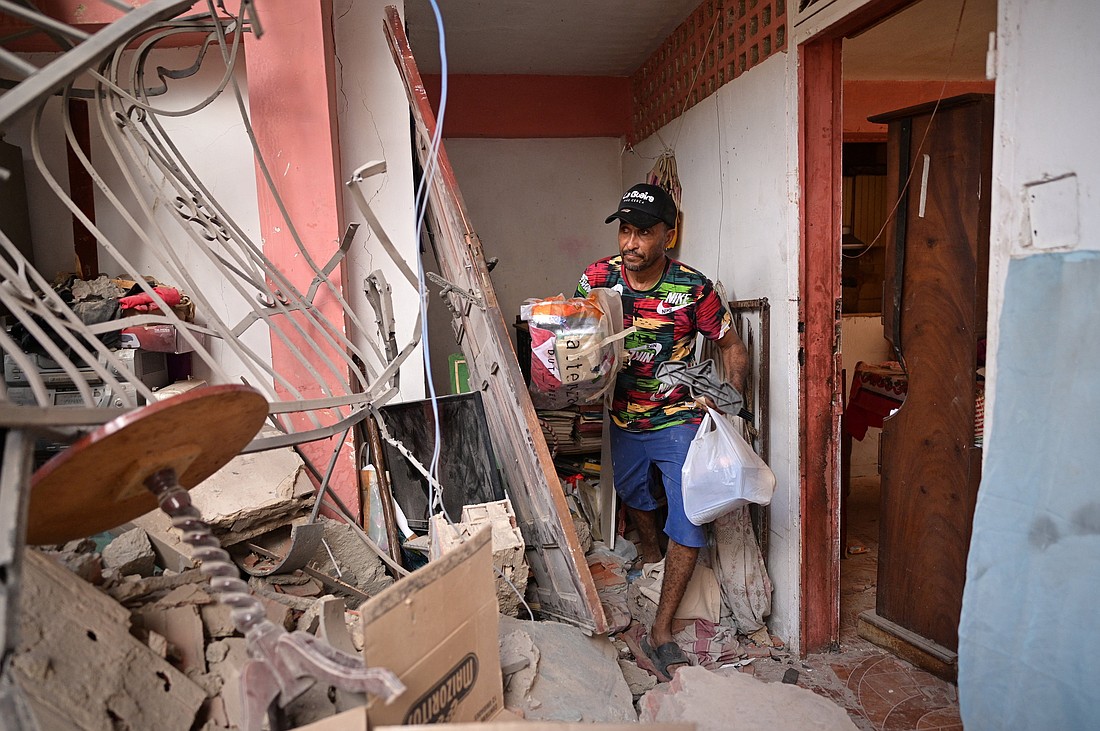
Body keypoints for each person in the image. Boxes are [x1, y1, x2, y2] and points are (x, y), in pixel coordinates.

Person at [576, 183, 748, 681]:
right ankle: (653, 560)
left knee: (689, 516)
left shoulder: (692, 288)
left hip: (678, 418)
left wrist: (729, 404)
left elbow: (732, 347)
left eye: (643, 233)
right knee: (635, 495)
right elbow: (574, 337)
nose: (630, 243)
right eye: (625, 230)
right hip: (623, 417)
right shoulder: (598, 277)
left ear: (667, 236)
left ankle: (662, 631)